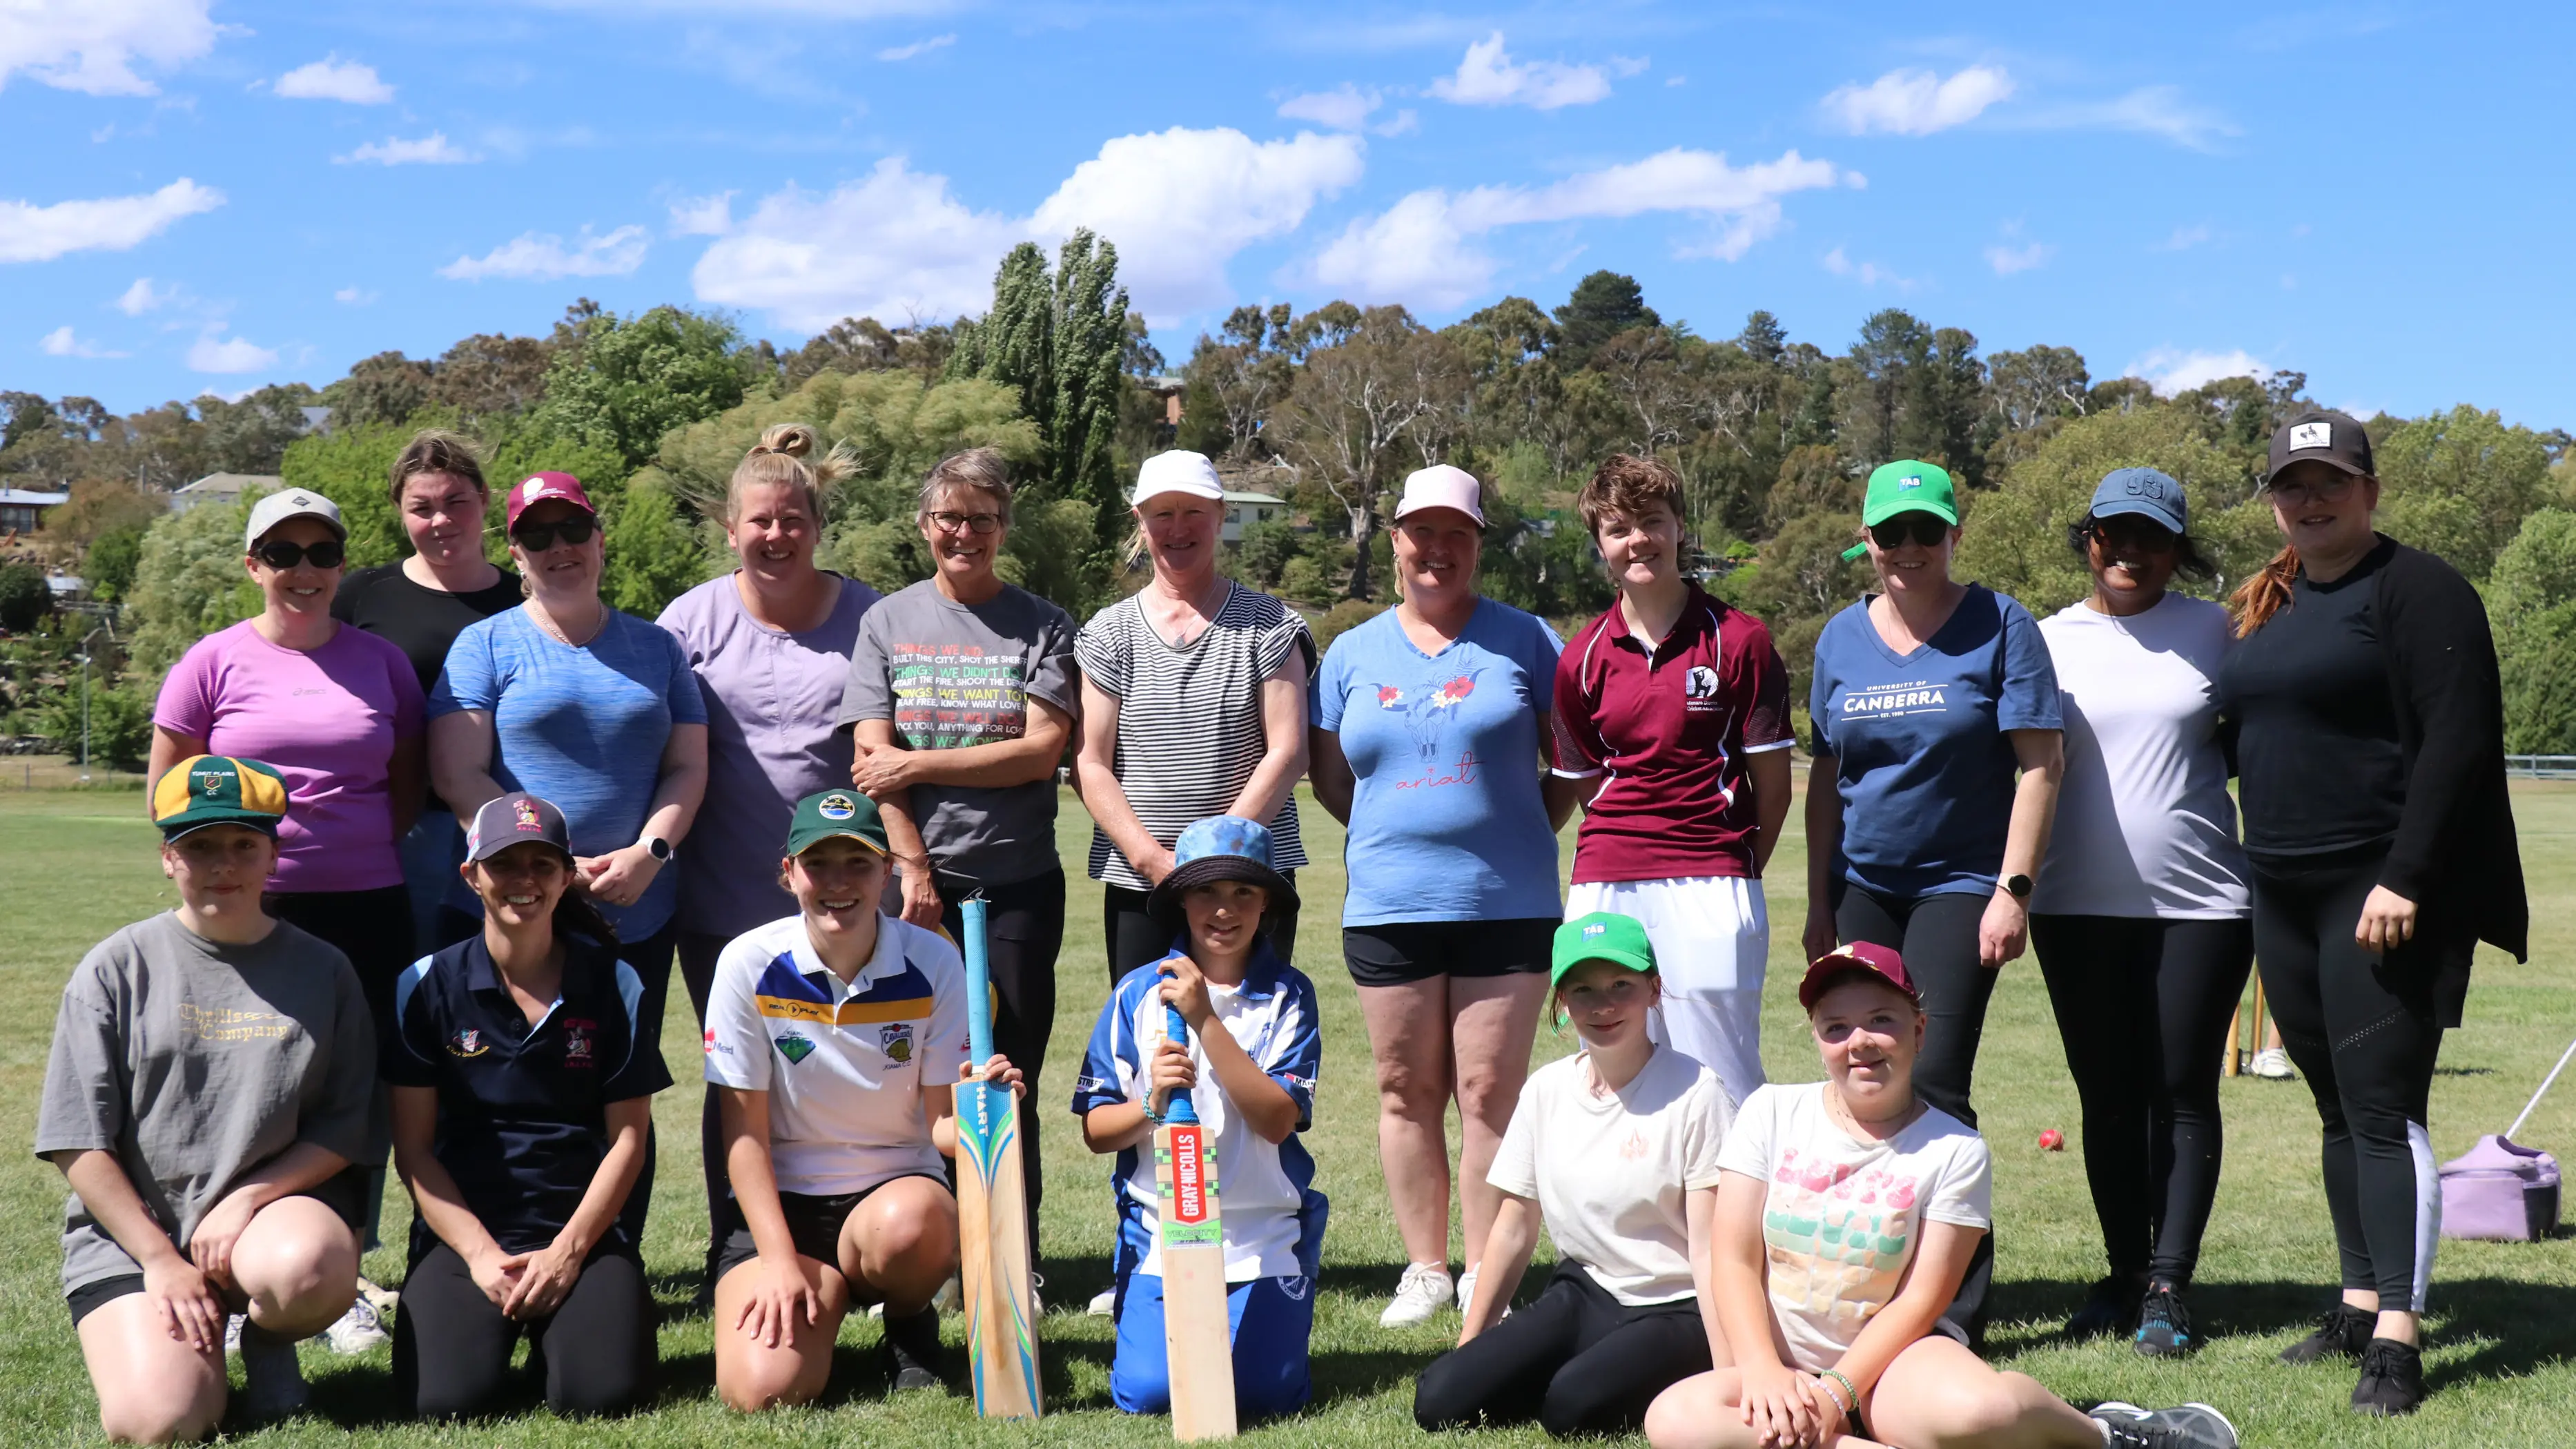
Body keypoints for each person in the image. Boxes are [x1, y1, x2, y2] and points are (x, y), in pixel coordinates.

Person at [2216, 411, 2526, 1417]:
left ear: (2370, 489)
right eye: (2292, 484)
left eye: (2329, 481)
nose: (2310, 500)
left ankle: (2398, 1333)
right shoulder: (2270, 598)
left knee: (2385, 1109)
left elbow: (2459, 740)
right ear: (2272, 496)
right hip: (2281, 883)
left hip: (2380, 889)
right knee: (2334, 1106)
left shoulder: (2421, 587)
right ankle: (2355, 1298)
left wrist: (2407, 875)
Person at [1641, 944, 2241, 1449]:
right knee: (1671, 1419)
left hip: (1891, 1367)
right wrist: (1765, 1371)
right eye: (1837, 1026)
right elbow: (1735, 1259)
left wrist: (1839, 1391)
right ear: (1818, 1038)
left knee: (1981, 1413)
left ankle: (2108, 1433)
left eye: (1882, 1019)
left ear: (1919, 1030)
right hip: (1779, 1365)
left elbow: (1923, 1298)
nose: (1861, 1041)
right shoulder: (1769, 1111)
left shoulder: (1955, 1149)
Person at [150, 485, 425, 1352]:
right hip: (255, 905)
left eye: (320, 553)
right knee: (250, 1085)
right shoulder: (211, 660)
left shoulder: (382, 662)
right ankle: (231, 1269)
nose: (303, 571)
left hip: (369, 901)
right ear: (254, 565)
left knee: (357, 1087)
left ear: (342, 564)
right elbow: (171, 792)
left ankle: (339, 1274)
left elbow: (407, 784)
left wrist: (353, 847)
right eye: (283, 554)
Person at [1801, 459, 2063, 1341]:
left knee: (1937, 1080)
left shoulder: (2001, 623)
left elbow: (2040, 763)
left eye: (1927, 530)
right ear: (1867, 541)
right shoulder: (1840, 638)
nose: (1909, 548)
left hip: (1960, 885)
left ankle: (1950, 1312)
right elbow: (1829, 774)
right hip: (1864, 886)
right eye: (1891, 533)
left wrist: (2011, 891)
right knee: (1861, 1078)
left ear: (1954, 532)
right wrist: (1817, 897)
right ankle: (1873, 1282)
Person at [38, 757, 375, 1441]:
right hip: (136, 1241)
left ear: (273, 853)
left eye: (243, 844)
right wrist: (161, 1258)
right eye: (199, 846)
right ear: (169, 857)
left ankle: (267, 1340)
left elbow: (348, 1125)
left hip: (264, 1228)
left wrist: (247, 1198)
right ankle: (194, 1348)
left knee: (310, 1268)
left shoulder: (325, 969)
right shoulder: (116, 966)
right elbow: (78, 1138)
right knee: (159, 1419)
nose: (223, 864)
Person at [1308, 463, 1572, 1328]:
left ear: (1478, 545)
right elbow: (1331, 778)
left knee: (1490, 1092)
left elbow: (1566, 763)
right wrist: (1401, 827)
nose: (1437, 550)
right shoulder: (1350, 653)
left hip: (1507, 898)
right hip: (1389, 901)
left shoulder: (1528, 638)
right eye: (1421, 532)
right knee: (1403, 1087)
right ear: (1395, 541)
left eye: (1456, 533)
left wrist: (1515, 827)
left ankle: (1484, 1282)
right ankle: (1426, 1267)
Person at [2026, 468, 2253, 1356]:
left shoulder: (2217, 628)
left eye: (2151, 538)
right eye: (2113, 534)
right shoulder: (2044, 638)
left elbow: (2251, 743)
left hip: (2201, 904)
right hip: (2074, 904)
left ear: (2176, 548)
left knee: (2183, 1091)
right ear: (2088, 538)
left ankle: (2169, 1284)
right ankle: (2122, 1273)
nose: (2130, 552)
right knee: (2108, 1096)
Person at [701, 788, 1017, 1410]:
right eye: (819, 863)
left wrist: (986, 1112)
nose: (838, 883)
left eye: (859, 863)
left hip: (893, 1198)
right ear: (788, 872)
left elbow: (941, 1127)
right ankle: (824, 1292)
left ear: (889, 873)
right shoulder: (746, 962)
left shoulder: (934, 960)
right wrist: (779, 1260)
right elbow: (742, 1137)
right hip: (781, 1210)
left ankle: (906, 1318)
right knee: (761, 1390)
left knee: (915, 1227)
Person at [840, 446, 1077, 1263]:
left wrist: (921, 761)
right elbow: (872, 756)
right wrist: (911, 867)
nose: (964, 532)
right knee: (916, 1080)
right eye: (950, 517)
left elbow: (1042, 750)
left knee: (1010, 1077)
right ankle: (940, 1256)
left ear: (1003, 528)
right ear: (924, 525)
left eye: (982, 518)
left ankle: (1017, 1257)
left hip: (1016, 885)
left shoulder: (1044, 622)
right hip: (911, 890)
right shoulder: (887, 621)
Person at [659, 424, 881, 1291]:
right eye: (760, 519)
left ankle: (862, 1250)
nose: (777, 534)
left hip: (845, 901)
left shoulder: (870, 617)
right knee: (739, 1080)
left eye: (793, 518)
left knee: (850, 1070)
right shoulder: (688, 622)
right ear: (730, 528)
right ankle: (740, 1245)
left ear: (819, 523)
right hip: (720, 897)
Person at [384, 793, 669, 1419]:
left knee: (602, 1396)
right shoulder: (425, 983)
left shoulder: (616, 982)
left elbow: (629, 1141)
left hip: (582, 1234)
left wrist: (568, 1252)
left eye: (542, 865)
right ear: (471, 874)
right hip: (466, 1237)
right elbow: (413, 1149)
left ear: (568, 877)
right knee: (445, 1402)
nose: (524, 881)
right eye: (504, 864)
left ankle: (566, 1332)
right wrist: (482, 1255)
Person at [1414, 912, 1731, 1438]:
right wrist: (1474, 1347)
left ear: (1655, 989)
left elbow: (1710, 1249)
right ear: (1561, 1001)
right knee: (1439, 1398)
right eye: (1582, 990)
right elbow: (1514, 1226)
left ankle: (1615, 1374)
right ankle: (1578, 1368)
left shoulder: (1697, 1091)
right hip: (1585, 1291)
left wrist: (1729, 1371)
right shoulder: (1547, 1089)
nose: (1602, 1005)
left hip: (1675, 1306)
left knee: (1572, 1409)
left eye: (1621, 985)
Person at [429, 470, 709, 1055]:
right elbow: (458, 775)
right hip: (516, 907)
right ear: (516, 556)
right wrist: (554, 863)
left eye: (573, 528)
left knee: (624, 1086)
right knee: (507, 1087)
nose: (559, 546)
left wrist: (649, 853)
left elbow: (687, 767)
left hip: (637, 910)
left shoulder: (658, 647)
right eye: (537, 537)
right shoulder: (484, 645)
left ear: (600, 538)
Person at [1553, 453, 1795, 1111]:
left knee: (1721, 1079)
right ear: (1601, 544)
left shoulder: (1741, 639)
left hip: (1711, 880)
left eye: (1653, 521)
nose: (1639, 540)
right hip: (1606, 880)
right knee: (1607, 1076)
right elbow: (1587, 786)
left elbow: (1774, 787)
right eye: (1618, 528)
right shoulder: (1581, 656)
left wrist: (1734, 866)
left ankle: (1735, 1217)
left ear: (1680, 527)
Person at [1073, 815, 1326, 1421]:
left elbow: (1275, 1121)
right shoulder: (1136, 992)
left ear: (1267, 902)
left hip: (1262, 1229)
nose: (1224, 909)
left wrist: (1205, 1018)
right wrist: (1149, 1103)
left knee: (1267, 1395)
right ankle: (1140, 1302)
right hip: (1165, 1227)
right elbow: (1095, 1131)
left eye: (1244, 891)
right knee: (1150, 1394)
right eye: (1207, 891)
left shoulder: (1289, 994)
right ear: (1182, 899)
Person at [1075, 449, 1311, 981]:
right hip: (1143, 887)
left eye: (1194, 512)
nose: (1177, 528)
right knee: (1151, 1048)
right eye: (1162, 513)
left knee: (1250, 1046)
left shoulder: (1270, 623)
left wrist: (1217, 861)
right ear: (1140, 521)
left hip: (1252, 880)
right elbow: (1091, 762)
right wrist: (1155, 862)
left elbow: (1289, 750)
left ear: (1221, 515)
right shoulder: (1109, 632)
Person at [332, 429, 524, 958]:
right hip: (396, 827)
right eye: (422, 507)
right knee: (404, 981)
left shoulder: (526, 602)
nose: (441, 520)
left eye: (456, 502)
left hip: (504, 826)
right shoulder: (362, 597)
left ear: (484, 499)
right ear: (400, 511)